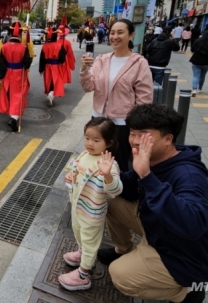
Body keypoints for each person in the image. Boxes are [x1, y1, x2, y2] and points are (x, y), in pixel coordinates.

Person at [97, 104, 208, 303]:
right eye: (132, 133)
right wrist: (98, 176)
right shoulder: (155, 159)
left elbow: (193, 225)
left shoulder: (189, 175)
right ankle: (124, 250)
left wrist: (147, 176)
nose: (136, 141)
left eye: (144, 135)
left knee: (121, 276)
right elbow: (127, 186)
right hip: (161, 230)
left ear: (168, 139)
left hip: (188, 256)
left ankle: (186, 292)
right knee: (109, 198)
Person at [81, 19, 153, 172]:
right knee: (95, 159)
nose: (115, 36)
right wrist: (84, 70)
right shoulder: (102, 59)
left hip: (122, 123)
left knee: (118, 163)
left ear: (131, 35)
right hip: (98, 119)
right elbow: (88, 87)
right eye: (112, 33)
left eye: (120, 32)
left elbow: (144, 99)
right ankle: (96, 192)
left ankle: (116, 192)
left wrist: (137, 127)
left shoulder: (139, 63)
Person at [59, 117, 122, 291]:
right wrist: (70, 176)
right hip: (78, 207)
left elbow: (116, 190)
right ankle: (82, 254)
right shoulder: (84, 155)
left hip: (92, 213)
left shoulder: (108, 164)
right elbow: (74, 170)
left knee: (90, 242)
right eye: (87, 138)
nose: (90, 143)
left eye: (96, 140)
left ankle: (83, 274)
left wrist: (108, 175)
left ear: (108, 143)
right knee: (78, 233)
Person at [0, 21, 32, 132]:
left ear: (10, 33)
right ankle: (14, 118)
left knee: (10, 94)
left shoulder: (4, 47)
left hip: (7, 73)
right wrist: (27, 56)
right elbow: (26, 64)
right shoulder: (23, 47)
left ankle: (13, 116)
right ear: (20, 33)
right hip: (19, 74)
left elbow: (1, 63)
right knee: (18, 95)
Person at [39, 28, 67, 106]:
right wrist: (62, 57)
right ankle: (51, 95)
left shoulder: (45, 46)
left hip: (47, 66)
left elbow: (42, 58)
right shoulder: (59, 45)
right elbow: (62, 59)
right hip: (56, 67)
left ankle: (50, 94)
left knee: (49, 81)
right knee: (56, 81)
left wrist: (41, 69)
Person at [188, 29, 208, 97]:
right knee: (202, 76)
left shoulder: (198, 40)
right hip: (206, 62)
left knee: (195, 76)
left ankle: (194, 89)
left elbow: (192, 49)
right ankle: (200, 88)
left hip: (196, 61)